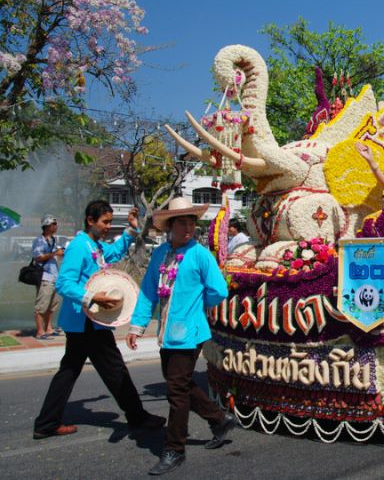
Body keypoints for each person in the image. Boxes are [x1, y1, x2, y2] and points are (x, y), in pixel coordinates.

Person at [33, 200, 165, 440]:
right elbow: (64, 283)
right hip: (86, 321)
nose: (107, 226)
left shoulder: (94, 245)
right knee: (113, 369)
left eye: (110, 222)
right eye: (104, 222)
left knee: (72, 370)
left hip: (87, 322)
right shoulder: (79, 247)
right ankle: (137, 416)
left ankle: (46, 422)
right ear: (90, 220)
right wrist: (92, 297)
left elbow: (112, 253)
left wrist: (131, 229)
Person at [127, 197, 234, 476]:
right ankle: (219, 419)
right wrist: (137, 326)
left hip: (191, 333)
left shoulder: (199, 254)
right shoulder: (160, 254)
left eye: (191, 222)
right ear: (170, 226)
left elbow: (219, 290)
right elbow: (149, 292)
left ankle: (175, 448)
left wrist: (198, 306)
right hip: (166, 333)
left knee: (176, 390)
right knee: (180, 384)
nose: (188, 228)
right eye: (182, 222)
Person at [31, 214, 63, 339]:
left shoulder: (53, 240)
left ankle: (48, 328)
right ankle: (40, 332)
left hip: (54, 275)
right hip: (45, 276)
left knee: (52, 305)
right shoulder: (40, 240)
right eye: (53, 224)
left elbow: (55, 255)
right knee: (41, 306)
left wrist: (61, 253)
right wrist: (55, 253)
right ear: (47, 226)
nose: (56, 226)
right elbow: (38, 257)